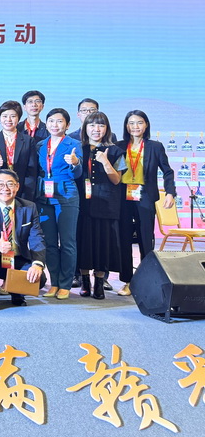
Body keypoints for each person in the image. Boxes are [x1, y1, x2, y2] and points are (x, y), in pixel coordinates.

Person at [116, 110, 176, 296]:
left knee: (145, 239)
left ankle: (147, 281)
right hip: (122, 198)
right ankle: (127, 281)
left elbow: (168, 171)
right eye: (131, 123)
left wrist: (170, 193)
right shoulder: (119, 146)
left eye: (139, 122)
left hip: (145, 198)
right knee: (124, 239)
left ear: (146, 125)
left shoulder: (155, 147)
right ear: (126, 126)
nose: (135, 126)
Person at [0, 169, 47, 310]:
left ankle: (17, 293)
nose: (5, 188)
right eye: (0, 184)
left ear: (17, 186)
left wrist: (37, 264)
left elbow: (37, 237)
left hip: (17, 258)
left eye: (10, 184)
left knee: (39, 277)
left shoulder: (29, 207)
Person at [76, 112, 126, 298]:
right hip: (82, 205)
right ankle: (84, 281)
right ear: (85, 128)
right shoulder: (78, 149)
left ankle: (99, 282)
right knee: (83, 242)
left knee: (103, 244)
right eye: (92, 125)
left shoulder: (116, 151)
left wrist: (106, 163)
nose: (96, 129)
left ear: (107, 129)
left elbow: (117, 180)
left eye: (101, 125)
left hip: (106, 205)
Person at [37, 108, 82, 300]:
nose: (55, 125)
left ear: (68, 125)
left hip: (66, 194)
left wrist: (75, 163)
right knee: (49, 242)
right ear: (46, 124)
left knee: (67, 241)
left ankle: (65, 284)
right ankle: (54, 282)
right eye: (51, 121)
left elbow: (77, 174)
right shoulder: (40, 144)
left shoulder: (74, 144)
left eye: (59, 121)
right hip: (44, 195)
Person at [0, 100, 38, 201]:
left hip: (22, 190)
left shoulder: (28, 140)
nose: (8, 120)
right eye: (4, 116)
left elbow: (32, 170)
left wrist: (27, 194)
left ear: (18, 118)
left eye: (13, 116)